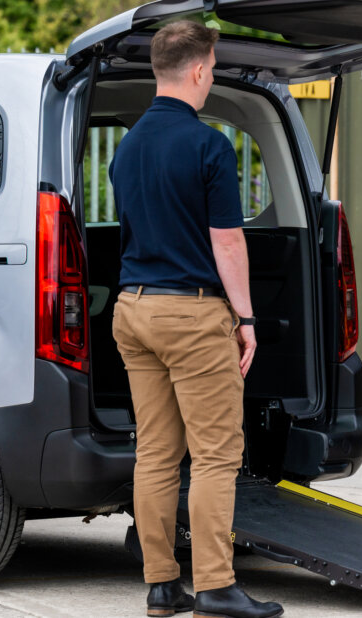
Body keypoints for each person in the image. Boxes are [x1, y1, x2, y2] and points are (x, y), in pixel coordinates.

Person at [109, 21, 282, 618]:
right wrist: (247, 317)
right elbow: (228, 244)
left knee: (155, 452)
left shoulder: (127, 147)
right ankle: (215, 586)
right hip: (190, 313)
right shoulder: (208, 145)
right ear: (201, 70)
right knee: (214, 454)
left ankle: (161, 585)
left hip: (133, 309)